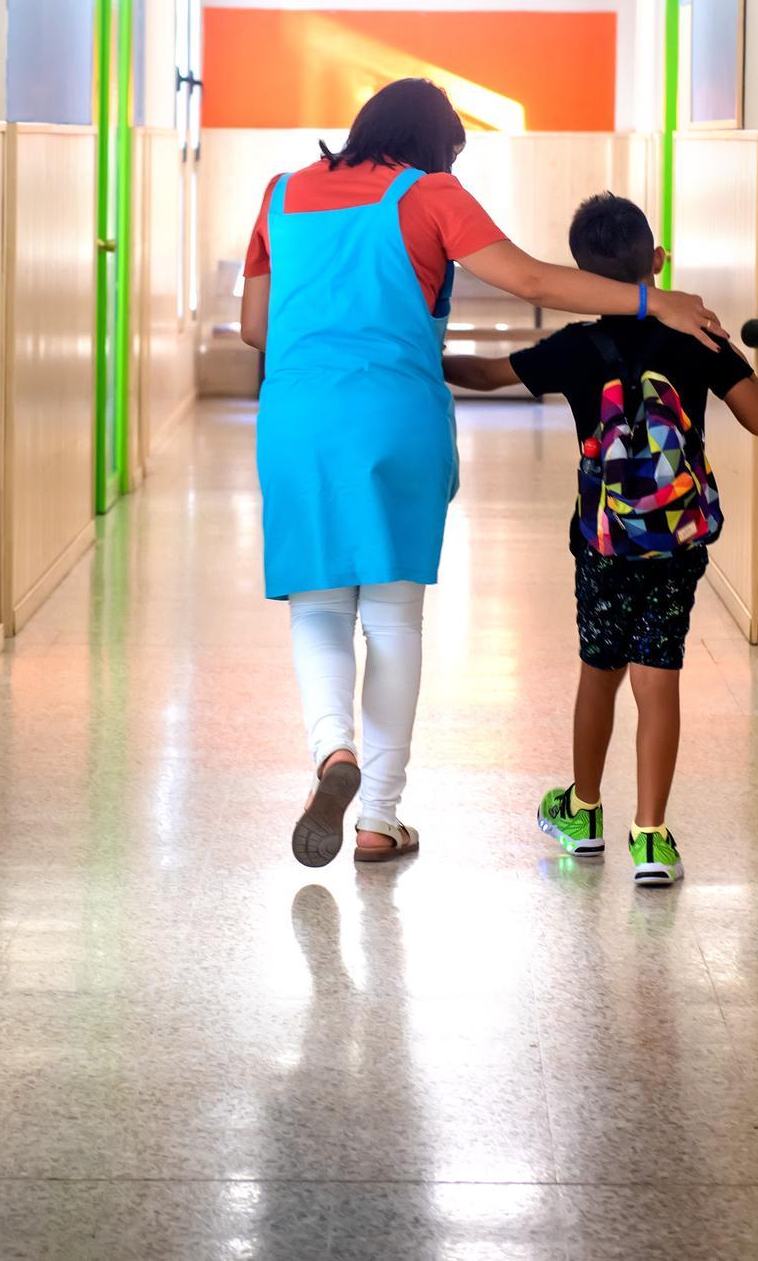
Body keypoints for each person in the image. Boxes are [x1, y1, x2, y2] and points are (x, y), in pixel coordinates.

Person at [240, 84, 730, 870]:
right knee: (393, 620)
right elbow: (531, 281)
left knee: (319, 608)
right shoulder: (430, 192)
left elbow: (255, 327)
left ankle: (333, 753)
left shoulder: (281, 192)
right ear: (438, 145)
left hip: (297, 420)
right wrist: (652, 300)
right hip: (395, 414)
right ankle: (378, 819)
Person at [443, 192, 758, 886]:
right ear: (658, 262)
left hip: (603, 544)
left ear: (583, 275)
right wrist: (737, 360)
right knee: (660, 678)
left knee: (600, 672)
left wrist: (418, 350)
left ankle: (584, 812)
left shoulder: (573, 348)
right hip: (678, 543)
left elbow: (482, 375)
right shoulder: (698, 337)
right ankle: (651, 839)